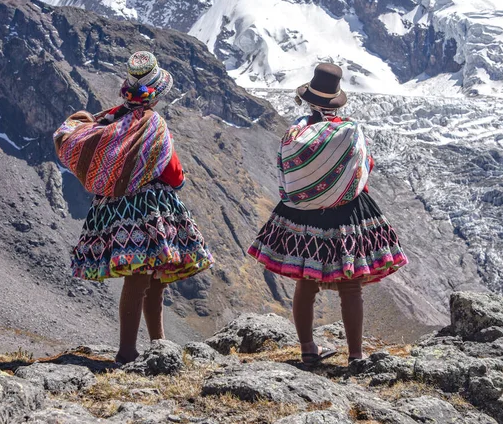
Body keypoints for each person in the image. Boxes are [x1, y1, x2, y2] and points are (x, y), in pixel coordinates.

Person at [54, 51, 214, 364]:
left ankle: (159, 345)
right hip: (148, 209)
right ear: (156, 97)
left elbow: (85, 138)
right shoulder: (153, 124)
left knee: (151, 277)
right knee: (143, 276)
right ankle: (127, 351)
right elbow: (174, 174)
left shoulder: (111, 117)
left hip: (114, 210)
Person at [248, 63, 408, 365]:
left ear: (309, 99)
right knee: (350, 285)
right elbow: (365, 168)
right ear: (336, 100)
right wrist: (339, 184)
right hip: (347, 214)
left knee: (306, 281)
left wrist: (314, 189)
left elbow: (285, 171)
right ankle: (356, 355)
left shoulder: (295, 133)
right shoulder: (350, 132)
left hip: (302, 214)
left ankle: (308, 350)